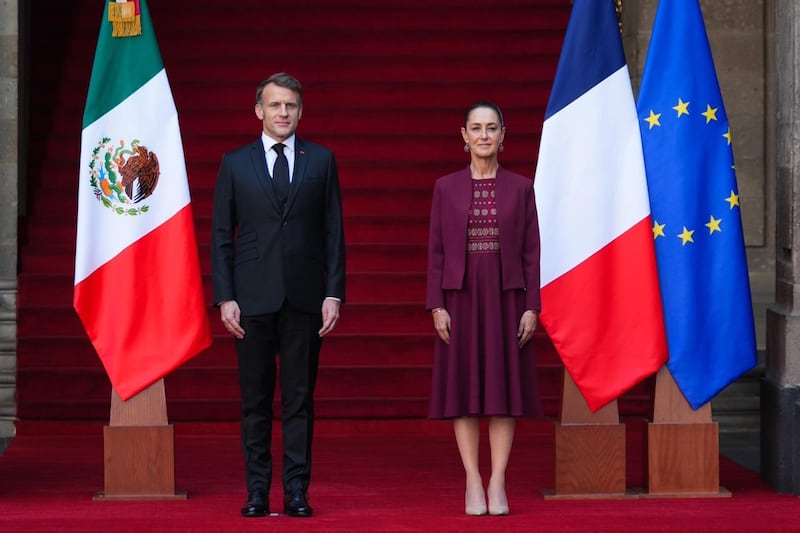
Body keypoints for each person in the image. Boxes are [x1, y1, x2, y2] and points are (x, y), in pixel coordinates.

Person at [210, 72, 346, 518]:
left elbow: (333, 233)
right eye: (275, 105)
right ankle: (255, 491)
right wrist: (225, 296)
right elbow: (221, 237)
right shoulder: (235, 163)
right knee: (254, 402)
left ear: (300, 111)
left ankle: (295, 491)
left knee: (299, 399)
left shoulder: (321, 160)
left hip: (306, 298)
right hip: (250, 301)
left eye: (290, 105)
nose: (283, 112)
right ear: (259, 111)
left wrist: (334, 293)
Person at [425, 101, 542, 516]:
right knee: (463, 391)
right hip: (459, 298)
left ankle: (498, 481)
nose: (484, 136)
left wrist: (532, 307)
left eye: (492, 128)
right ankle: (473, 479)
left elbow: (532, 252)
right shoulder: (445, 187)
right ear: (464, 136)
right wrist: (436, 305)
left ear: (503, 135)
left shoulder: (521, 187)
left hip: (507, 298)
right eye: (476, 128)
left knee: (502, 392)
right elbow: (437, 251)